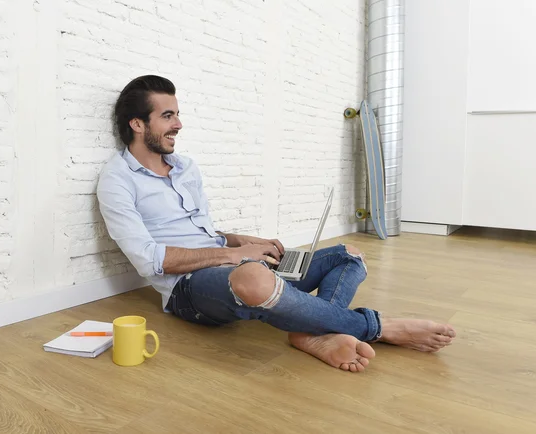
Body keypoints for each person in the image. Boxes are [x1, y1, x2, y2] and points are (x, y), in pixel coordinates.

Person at [97, 75, 456, 372]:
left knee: (349, 255)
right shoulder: (117, 180)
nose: (179, 124)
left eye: (177, 114)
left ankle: (312, 333)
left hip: (229, 261)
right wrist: (235, 257)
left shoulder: (185, 167)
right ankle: (377, 327)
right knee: (254, 276)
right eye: (168, 116)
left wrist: (239, 241)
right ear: (138, 124)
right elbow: (148, 259)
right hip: (187, 289)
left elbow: (202, 232)